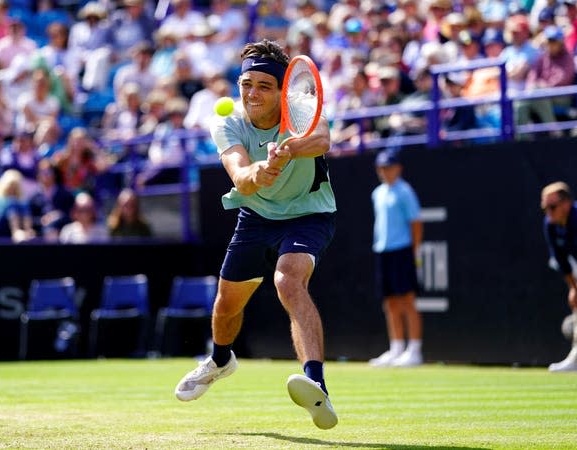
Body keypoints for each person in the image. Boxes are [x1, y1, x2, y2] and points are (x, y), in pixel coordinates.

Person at [174, 39, 338, 430]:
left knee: (288, 281)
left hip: (309, 214)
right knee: (225, 307)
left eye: (264, 85)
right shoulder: (227, 122)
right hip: (256, 216)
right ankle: (219, 360)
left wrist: (290, 149)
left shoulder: (300, 110)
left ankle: (316, 382)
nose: (252, 93)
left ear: (282, 91)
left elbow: (322, 139)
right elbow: (239, 176)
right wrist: (256, 174)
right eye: (247, 84)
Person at [368, 150, 424, 368]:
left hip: (403, 251)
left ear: (398, 168)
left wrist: (414, 252)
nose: (385, 172)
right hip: (383, 250)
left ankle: (415, 350)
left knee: (407, 300)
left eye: (389, 167)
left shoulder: (405, 192)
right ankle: (397, 348)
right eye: (381, 168)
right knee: (389, 302)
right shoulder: (377, 193)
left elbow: (416, 223)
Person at [541, 181, 577, 372]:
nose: (548, 211)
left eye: (552, 207)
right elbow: (562, 261)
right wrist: (574, 288)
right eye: (545, 207)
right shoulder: (551, 225)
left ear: (566, 204)